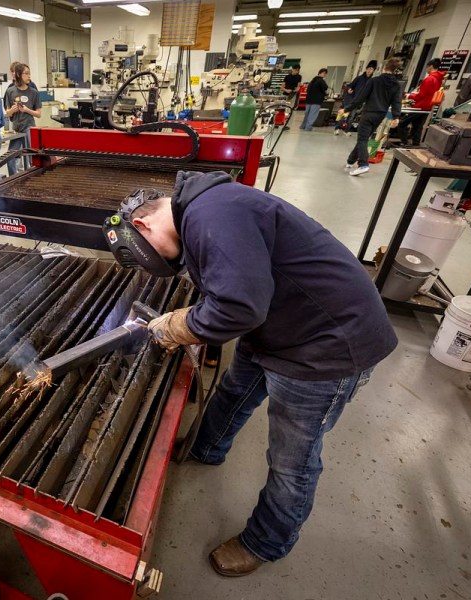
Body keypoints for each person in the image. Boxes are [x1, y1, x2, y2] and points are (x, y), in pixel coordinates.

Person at [103, 172, 397, 577]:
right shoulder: (201, 214)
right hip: (280, 326)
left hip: (326, 345)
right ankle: (206, 449)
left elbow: (238, 309)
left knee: (292, 460)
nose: (161, 264)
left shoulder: (213, 214)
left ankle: (265, 542)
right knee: (233, 391)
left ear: (143, 223)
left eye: (148, 253)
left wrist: (177, 326)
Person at [342, 57, 402, 176]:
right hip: (380, 115)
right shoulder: (397, 85)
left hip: (369, 112)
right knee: (363, 138)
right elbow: (396, 102)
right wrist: (396, 117)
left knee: (362, 139)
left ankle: (363, 164)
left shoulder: (374, 81)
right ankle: (350, 161)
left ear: (383, 67)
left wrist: (346, 108)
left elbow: (360, 98)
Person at [397, 58, 445, 146]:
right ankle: (415, 144)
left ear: (431, 66)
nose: (426, 69)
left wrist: (408, 95)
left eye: (427, 67)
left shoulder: (429, 79)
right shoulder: (439, 79)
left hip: (420, 106)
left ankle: (405, 142)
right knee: (417, 126)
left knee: (402, 123)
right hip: (428, 106)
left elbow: (421, 95)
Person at [4, 62, 41, 175]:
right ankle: (13, 180)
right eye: (26, 73)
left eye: (29, 73)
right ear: (19, 75)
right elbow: (7, 113)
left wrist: (26, 110)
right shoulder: (10, 91)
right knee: (10, 157)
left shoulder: (33, 92)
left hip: (28, 127)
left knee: (32, 158)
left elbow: (39, 114)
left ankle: (36, 179)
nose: (29, 76)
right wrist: (13, 110)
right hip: (16, 129)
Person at [334, 60, 376, 136]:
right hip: (350, 99)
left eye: (371, 69)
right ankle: (337, 128)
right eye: (368, 69)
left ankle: (346, 130)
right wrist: (349, 89)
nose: (369, 71)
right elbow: (350, 86)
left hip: (358, 102)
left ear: (373, 71)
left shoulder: (371, 81)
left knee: (351, 117)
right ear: (366, 69)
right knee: (344, 115)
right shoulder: (359, 78)